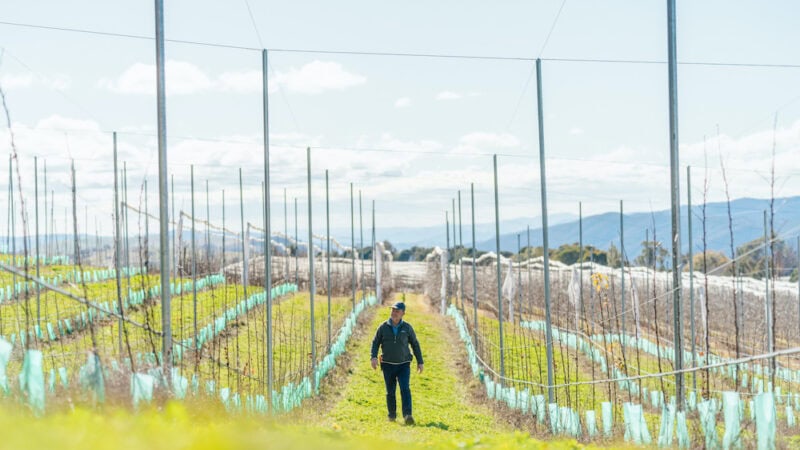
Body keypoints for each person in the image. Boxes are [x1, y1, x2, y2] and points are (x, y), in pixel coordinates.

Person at [370, 300, 424, 425]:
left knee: (405, 389)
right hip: (387, 364)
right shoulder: (383, 327)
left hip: (404, 364)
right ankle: (392, 415)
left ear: (403, 313)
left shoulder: (407, 328)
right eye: (393, 310)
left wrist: (420, 361)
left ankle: (407, 415)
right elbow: (375, 342)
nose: (394, 313)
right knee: (390, 391)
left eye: (397, 311)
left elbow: (415, 344)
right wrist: (373, 357)